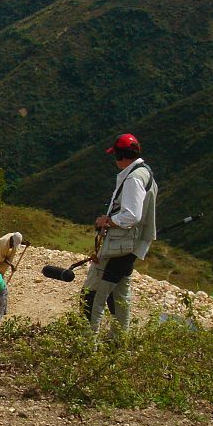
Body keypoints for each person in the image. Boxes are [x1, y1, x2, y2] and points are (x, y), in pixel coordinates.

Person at [83, 133, 157, 336]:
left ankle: (86, 345)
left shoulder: (133, 178)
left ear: (121, 155)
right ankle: (118, 343)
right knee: (119, 297)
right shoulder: (146, 173)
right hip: (132, 246)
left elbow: (132, 216)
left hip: (119, 246)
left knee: (92, 296)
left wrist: (107, 221)